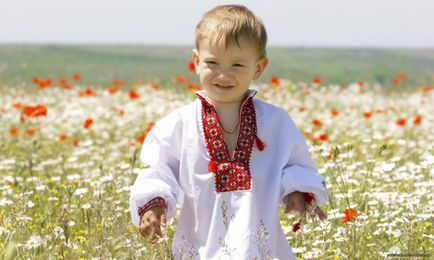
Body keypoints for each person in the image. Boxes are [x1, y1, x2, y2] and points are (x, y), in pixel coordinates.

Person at [130, 4, 327, 259]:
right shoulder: (180, 123)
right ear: (196, 61)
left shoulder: (276, 122)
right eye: (212, 62)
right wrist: (154, 204)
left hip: (259, 247)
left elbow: (295, 165)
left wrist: (298, 191)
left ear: (258, 67)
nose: (223, 74)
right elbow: (159, 170)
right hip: (198, 247)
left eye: (237, 64)